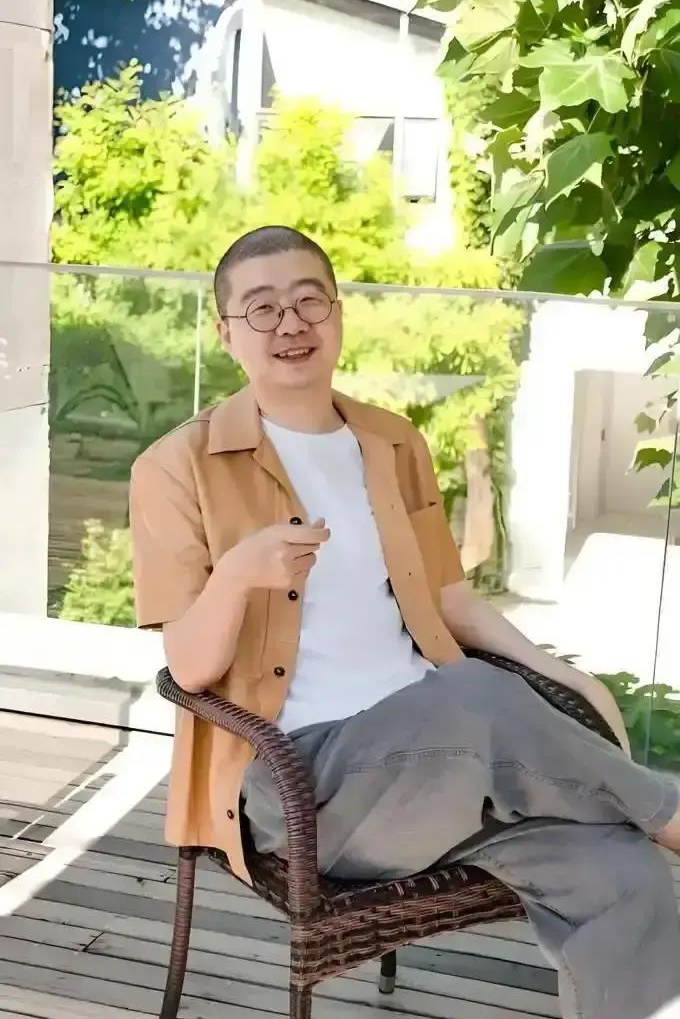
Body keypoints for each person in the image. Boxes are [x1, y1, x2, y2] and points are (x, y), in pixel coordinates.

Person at [130, 225, 680, 1019]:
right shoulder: (177, 465)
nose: (290, 323)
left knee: (627, 878)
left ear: (338, 312)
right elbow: (187, 667)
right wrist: (240, 574)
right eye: (263, 308)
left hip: (454, 771)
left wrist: (560, 671)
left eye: (309, 300)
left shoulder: (390, 441)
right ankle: (667, 810)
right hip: (312, 789)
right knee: (473, 695)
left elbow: (450, 600)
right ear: (226, 332)